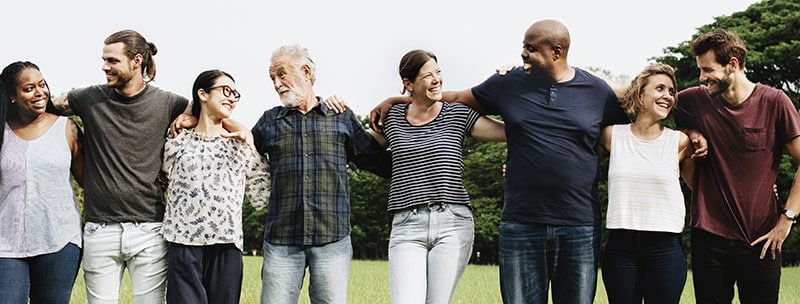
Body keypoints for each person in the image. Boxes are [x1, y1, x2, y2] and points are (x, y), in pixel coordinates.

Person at [370, 19, 630, 304]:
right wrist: (399, 99)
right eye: (523, 46)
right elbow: (456, 97)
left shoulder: (596, 91)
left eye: (531, 48)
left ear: (557, 52)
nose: (523, 53)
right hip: (521, 223)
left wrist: (589, 163)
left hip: (579, 224)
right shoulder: (508, 83)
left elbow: (616, 137)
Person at [50, 29, 191, 303]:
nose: (104, 67)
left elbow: (208, 112)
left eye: (112, 60)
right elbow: (42, 107)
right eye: (104, 60)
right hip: (99, 229)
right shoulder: (88, 98)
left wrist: (191, 120)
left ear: (136, 61)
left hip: (150, 230)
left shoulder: (168, 102)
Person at [251, 44, 390, 304]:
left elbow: (376, 160)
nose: (276, 83)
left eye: (282, 74)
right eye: (272, 78)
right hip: (281, 239)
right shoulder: (269, 122)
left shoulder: (340, 117)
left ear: (305, 71)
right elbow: (239, 158)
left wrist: (406, 124)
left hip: (332, 239)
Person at [674, 28, 800, 304]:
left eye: (707, 70)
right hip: (708, 236)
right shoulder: (692, 100)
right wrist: (690, 132)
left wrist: (787, 219)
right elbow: (649, 101)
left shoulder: (775, 102)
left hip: (761, 238)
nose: (702, 78)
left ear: (732, 64)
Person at [369, 50, 506, 303]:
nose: (436, 80)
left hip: (453, 223)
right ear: (408, 84)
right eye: (427, 76)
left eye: (438, 72)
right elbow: (360, 146)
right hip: (407, 226)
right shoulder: (393, 118)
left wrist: (515, 85)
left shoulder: (457, 112)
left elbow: (508, 132)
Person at [161, 69, 271, 304]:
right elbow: (160, 180)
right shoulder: (177, 142)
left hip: (226, 245)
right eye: (225, 90)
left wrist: (249, 139)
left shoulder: (242, 146)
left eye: (235, 94)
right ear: (202, 94)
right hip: (183, 244)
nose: (232, 98)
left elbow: (264, 196)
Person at [597, 64, 694, 304]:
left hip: (665, 248)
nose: (668, 96)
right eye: (659, 88)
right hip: (621, 246)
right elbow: (574, 165)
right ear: (640, 95)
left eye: (671, 91)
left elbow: (702, 188)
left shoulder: (680, 142)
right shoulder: (611, 136)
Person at [0, 61, 83, 304]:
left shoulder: (66, 129)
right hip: (6, 243)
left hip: (59, 240)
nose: (40, 93)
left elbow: (90, 180)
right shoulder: (2, 132)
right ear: (12, 96)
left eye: (42, 85)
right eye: (29, 88)